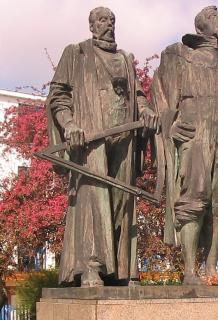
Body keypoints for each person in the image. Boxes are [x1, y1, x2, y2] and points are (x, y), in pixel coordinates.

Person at [47, 6, 158, 287]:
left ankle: (122, 270)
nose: (108, 24)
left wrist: (144, 110)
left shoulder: (125, 58)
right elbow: (59, 96)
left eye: (111, 20)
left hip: (125, 136)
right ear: (91, 26)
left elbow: (139, 95)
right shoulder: (77, 53)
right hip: (91, 138)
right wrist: (69, 125)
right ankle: (91, 267)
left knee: (123, 201)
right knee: (93, 199)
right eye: (101, 20)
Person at [152, 6, 218, 284]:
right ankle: (188, 271)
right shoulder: (177, 56)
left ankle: (211, 268)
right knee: (193, 199)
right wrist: (169, 124)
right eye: (211, 17)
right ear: (199, 28)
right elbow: (160, 94)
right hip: (194, 135)